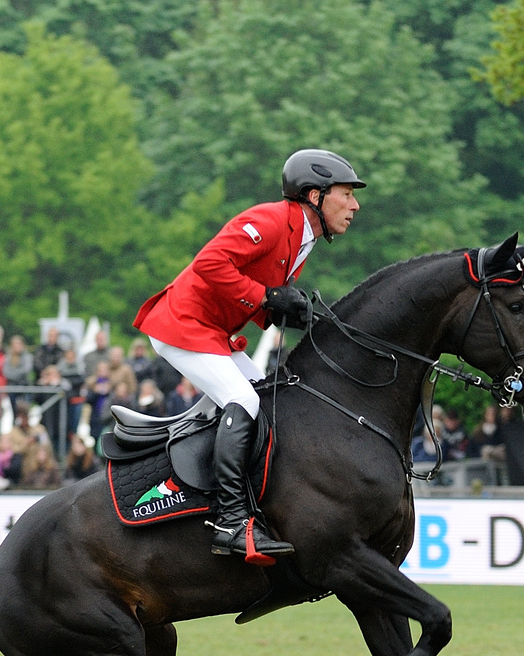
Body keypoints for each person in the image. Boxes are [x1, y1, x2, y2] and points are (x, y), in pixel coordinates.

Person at [132, 147, 364, 563]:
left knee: (266, 395)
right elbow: (209, 263)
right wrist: (267, 296)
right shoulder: (271, 220)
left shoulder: (304, 237)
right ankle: (230, 521)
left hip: (212, 333)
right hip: (182, 325)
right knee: (245, 400)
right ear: (315, 196)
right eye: (346, 194)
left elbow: (259, 293)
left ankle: (253, 503)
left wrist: (284, 309)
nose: (354, 204)